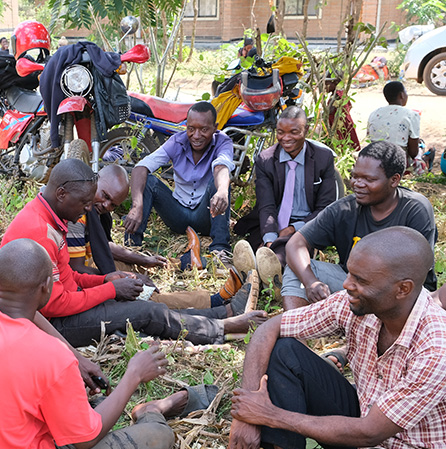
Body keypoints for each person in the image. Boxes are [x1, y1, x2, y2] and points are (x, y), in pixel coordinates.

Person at [167, 227, 446, 449]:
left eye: (361, 280)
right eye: (349, 273)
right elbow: (270, 329)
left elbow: (370, 432)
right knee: (285, 351)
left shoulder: (436, 345)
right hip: (363, 424)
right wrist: (247, 411)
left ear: (403, 289)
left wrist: (268, 415)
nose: (347, 284)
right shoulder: (355, 305)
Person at [0, 238, 219, 449]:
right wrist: (133, 375)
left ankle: (100, 407)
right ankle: (150, 412)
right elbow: (87, 441)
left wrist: (75, 355)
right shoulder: (51, 360)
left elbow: (27, 310)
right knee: (160, 437)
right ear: (46, 287)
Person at [1, 159, 266, 349]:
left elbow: (69, 275)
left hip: (68, 309)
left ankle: (226, 313)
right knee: (146, 314)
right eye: (83, 203)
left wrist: (106, 281)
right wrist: (112, 291)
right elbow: (54, 305)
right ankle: (223, 329)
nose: (86, 210)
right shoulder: (39, 231)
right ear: (61, 194)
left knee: (149, 307)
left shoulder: (49, 218)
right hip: (55, 325)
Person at [67, 164, 252, 313]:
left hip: (89, 269)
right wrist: (119, 279)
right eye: (105, 196)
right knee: (143, 295)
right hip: (82, 280)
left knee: (131, 268)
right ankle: (216, 302)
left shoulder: (90, 206)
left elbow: (104, 248)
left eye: (112, 205)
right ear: (95, 180)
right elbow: (78, 272)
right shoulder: (77, 212)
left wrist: (143, 262)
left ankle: (183, 262)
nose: (106, 205)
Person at [282, 140, 436, 311]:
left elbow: (415, 270)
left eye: (369, 179)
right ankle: (294, 330)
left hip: (399, 294)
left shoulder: (414, 210)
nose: (358, 184)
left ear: (394, 180)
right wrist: (311, 282)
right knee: (299, 269)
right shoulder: (344, 208)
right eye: (355, 176)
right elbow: (296, 244)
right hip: (354, 286)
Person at [123, 101, 234, 265]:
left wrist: (222, 191)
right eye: (191, 129)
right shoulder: (177, 141)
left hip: (207, 215)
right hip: (177, 216)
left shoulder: (223, 142)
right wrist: (136, 205)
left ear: (215, 127)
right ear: (186, 126)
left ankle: (220, 250)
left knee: (218, 184)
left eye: (204, 129)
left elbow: (221, 167)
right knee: (150, 181)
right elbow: (141, 167)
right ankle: (132, 247)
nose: (196, 135)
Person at [233, 107, 338, 276]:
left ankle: (262, 269)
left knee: (292, 244)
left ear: (306, 130)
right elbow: (266, 205)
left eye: (294, 132)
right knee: (261, 242)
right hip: (272, 222)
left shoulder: (322, 158)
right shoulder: (265, 160)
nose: (286, 138)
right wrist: (269, 238)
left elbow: (325, 208)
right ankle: (264, 265)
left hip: (307, 224)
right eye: (280, 132)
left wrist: (292, 228)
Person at [367, 81, 434, 174]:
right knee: (421, 148)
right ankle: (425, 162)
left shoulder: (374, 114)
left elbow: (369, 138)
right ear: (401, 95)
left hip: (376, 161)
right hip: (398, 163)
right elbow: (413, 153)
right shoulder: (412, 115)